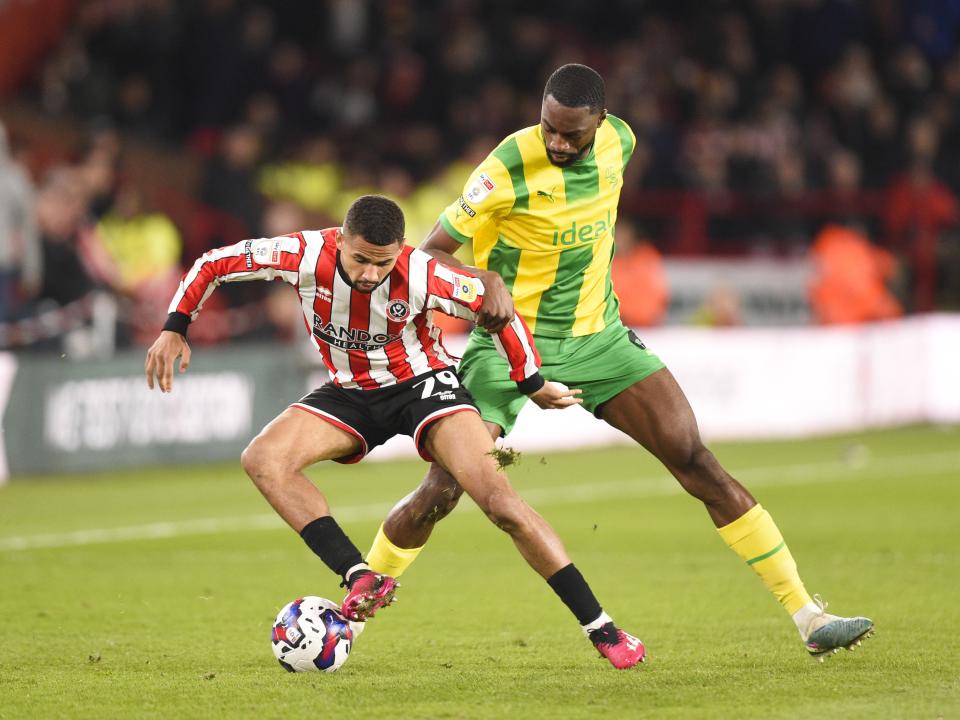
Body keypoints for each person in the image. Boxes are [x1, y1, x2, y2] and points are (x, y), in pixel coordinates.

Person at [364, 64, 874, 661]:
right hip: (508, 345)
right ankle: (354, 612)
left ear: (600, 123)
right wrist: (481, 280)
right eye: (549, 127)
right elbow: (428, 258)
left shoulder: (621, 142)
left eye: (570, 134)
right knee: (445, 487)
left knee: (695, 459)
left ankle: (807, 616)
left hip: (600, 340)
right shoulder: (505, 167)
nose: (556, 142)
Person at [144, 195, 646, 669]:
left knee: (499, 502)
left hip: (423, 386)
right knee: (262, 459)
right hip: (349, 392)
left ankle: (601, 628)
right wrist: (175, 325)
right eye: (361, 260)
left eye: (383, 263)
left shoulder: (422, 272)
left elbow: (500, 315)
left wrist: (531, 381)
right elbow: (213, 262)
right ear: (340, 238)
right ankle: (359, 575)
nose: (371, 274)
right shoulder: (300, 253)